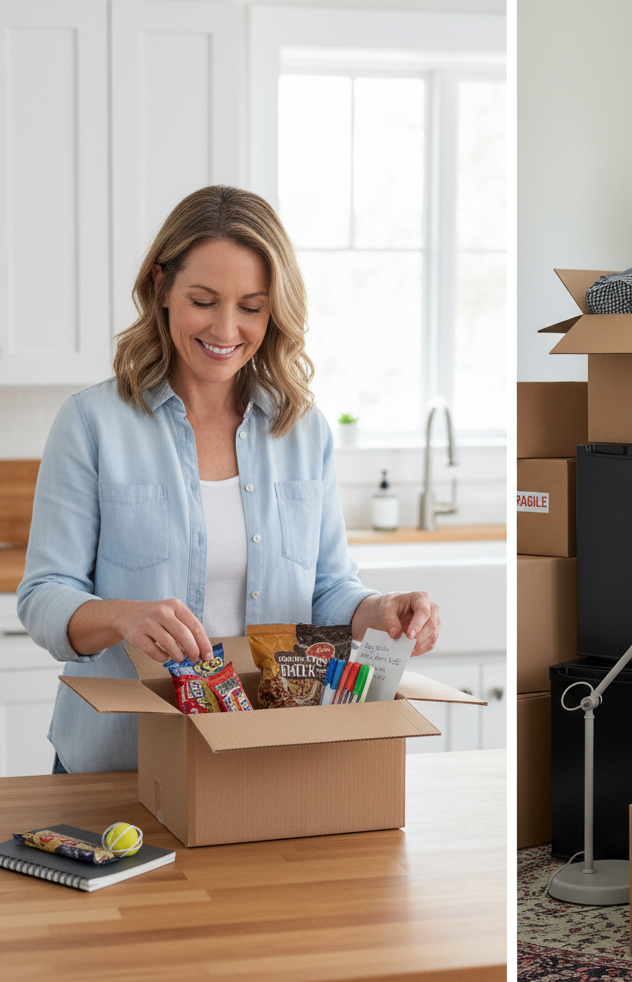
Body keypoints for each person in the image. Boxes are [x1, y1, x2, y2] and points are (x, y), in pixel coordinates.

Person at [17, 185, 440, 774]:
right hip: (120, 761)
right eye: (203, 299)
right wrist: (123, 616)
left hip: (262, 757)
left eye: (251, 306)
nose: (225, 327)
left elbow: (326, 591)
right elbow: (43, 596)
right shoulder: (93, 422)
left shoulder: (302, 429)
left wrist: (382, 608)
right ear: (162, 287)